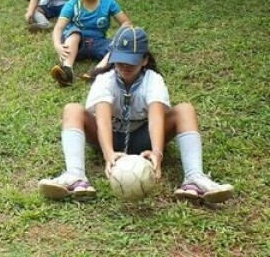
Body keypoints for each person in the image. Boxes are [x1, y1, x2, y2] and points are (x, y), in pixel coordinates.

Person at [38, 26, 234, 204]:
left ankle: (194, 178)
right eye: (119, 59)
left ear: (145, 60)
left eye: (131, 60)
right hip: (110, 136)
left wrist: (157, 153)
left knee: (185, 110)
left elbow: (157, 117)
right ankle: (75, 175)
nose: (124, 65)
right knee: (72, 109)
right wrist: (108, 155)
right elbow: (103, 120)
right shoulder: (105, 80)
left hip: (143, 138)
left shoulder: (153, 80)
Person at [49, 0, 131, 87]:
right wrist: (57, 46)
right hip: (75, 46)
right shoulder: (72, 4)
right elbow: (58, 28)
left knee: (120, 46)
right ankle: (67, 70)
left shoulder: (108, 2)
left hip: (99, 43)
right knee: (74, 32)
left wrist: (121, 35)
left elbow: (126, 22)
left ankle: (97, 71)